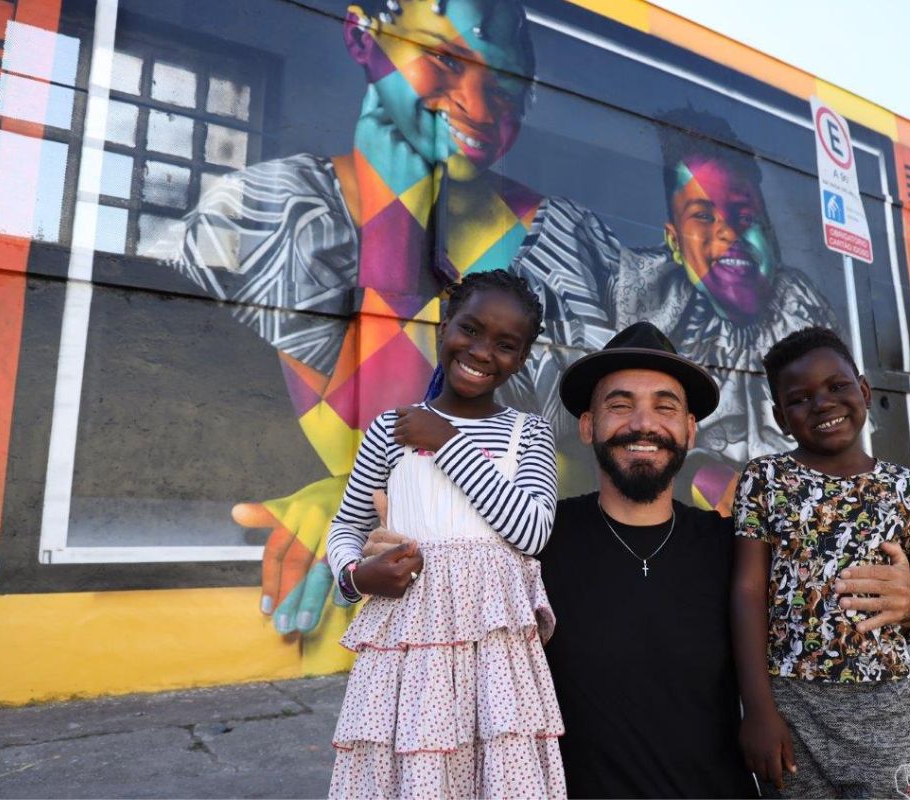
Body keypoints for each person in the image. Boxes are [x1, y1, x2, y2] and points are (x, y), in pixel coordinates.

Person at [168, 0, 617, 635]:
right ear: (361, 34)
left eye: (506, 80)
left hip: (501, 617)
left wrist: (400, 221)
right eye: (446, 58)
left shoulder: (570, 240)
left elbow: (565, 462)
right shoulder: (263, 217)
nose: (482, 107)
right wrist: (397, 232)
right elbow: (357, 438)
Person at [363, 321, 910, 799]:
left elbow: (829, 623)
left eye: (665, 406)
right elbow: (443, 629)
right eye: (619, 405)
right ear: (588, 426)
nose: (642, 424)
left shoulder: (738, 549)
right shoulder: (529, 544)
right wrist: (394, 567)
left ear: (688, 428)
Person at [324, 269, 565, 798]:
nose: (481, 352)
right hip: (407, 647)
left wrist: (447, 443)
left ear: (521, 358)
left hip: (494, 650)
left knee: (500, 771)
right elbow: (347, 526)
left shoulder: (530, 432)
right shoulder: (390, 430)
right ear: (443, 325)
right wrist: (356, 576)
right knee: (413, 770)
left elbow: (531, 532)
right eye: (470, 330)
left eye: (505, 345)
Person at [731, 326, 910, 799]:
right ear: (782, 418)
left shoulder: (908, 489)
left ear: (863, 390)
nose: (823, 403)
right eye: (800, 399)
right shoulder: (764, 480)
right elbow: (746, 594)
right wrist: (757, 709)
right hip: (791, 706)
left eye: (837, 386)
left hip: (884, 706)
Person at [603, 109, 838, 512]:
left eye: (745, 216)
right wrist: (708, 478)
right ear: (674, 241)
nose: (730, 233)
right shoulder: (647, 303)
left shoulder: (802, 309)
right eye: (704, 216)